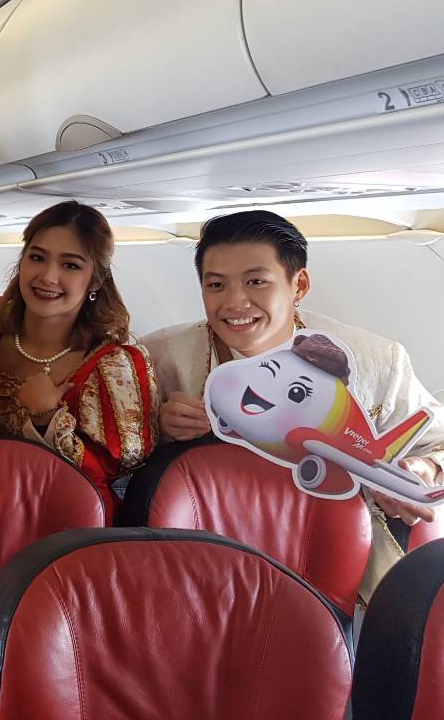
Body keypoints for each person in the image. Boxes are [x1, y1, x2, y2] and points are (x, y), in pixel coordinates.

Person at [144, 208, 444, 596]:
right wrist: (159, 432)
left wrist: (421, 467)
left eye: (255, 282)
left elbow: (438, 443)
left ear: (298, 285)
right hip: (209, 554)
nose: (235, 302)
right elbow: (120, 474)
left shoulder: (375, 360)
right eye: (216, 285)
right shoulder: (159, 360)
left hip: (338, 553)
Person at [0, 201, 159, 516]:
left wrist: (47, 419)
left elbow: (110, 474)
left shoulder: (113, 366)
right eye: (37, 258)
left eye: (71, 265)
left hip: (57, 518)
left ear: (96, 280)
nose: (48, 277)